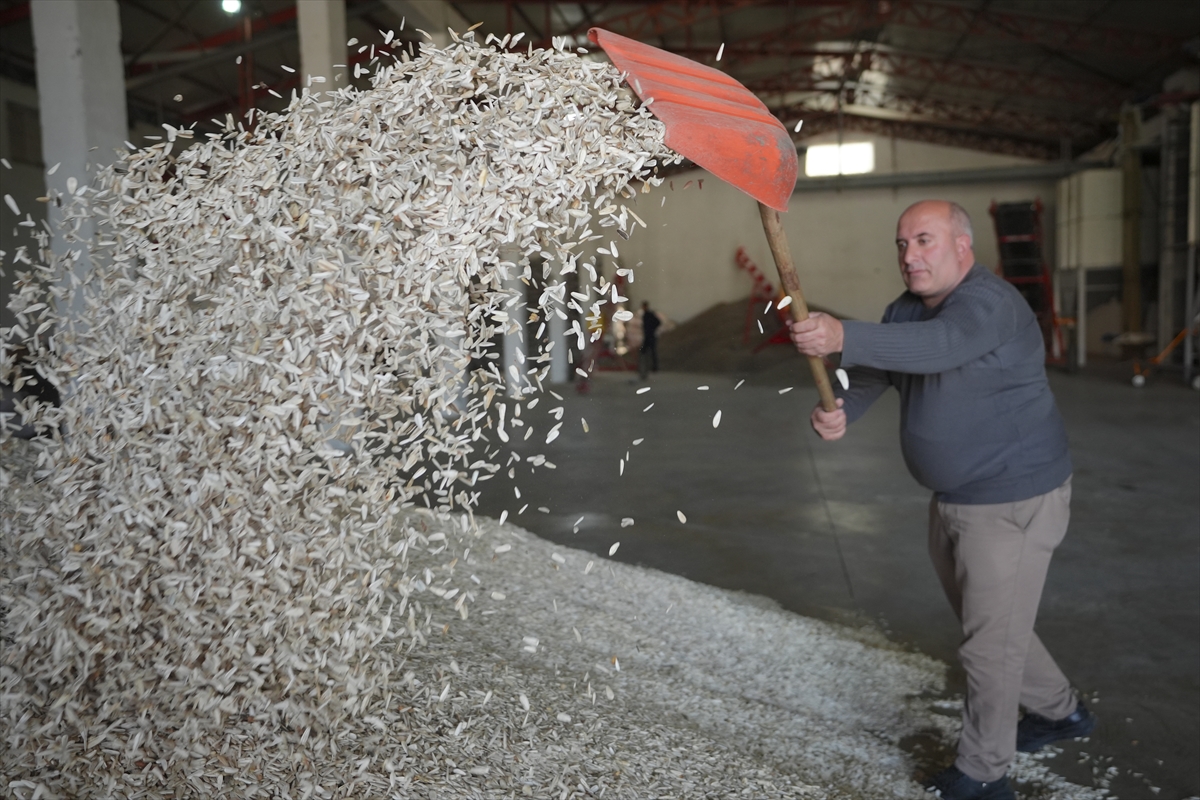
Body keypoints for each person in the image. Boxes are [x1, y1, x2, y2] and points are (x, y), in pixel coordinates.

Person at [788, 200, 1095, 800]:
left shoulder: (990, 304)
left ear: (963, 246)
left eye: (924, 241)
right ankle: (1060, 713)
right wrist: (841, 409)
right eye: (902, 245)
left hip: (1013, 498)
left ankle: (984, 775)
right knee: (994, 625)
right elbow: (880, 371)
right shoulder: (903, 310)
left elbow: (943, 346)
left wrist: (842, 333)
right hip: (953, 497)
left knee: (988, 645)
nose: (909, 256)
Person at [638, 300, 663, 379]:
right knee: (645, 352)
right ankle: (646, 367)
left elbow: (658, 322)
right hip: (648, 336)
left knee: (651, 352)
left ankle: (654, 367)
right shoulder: (645, 315)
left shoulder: (649, 314)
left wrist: (652, 329)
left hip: (650, 336)